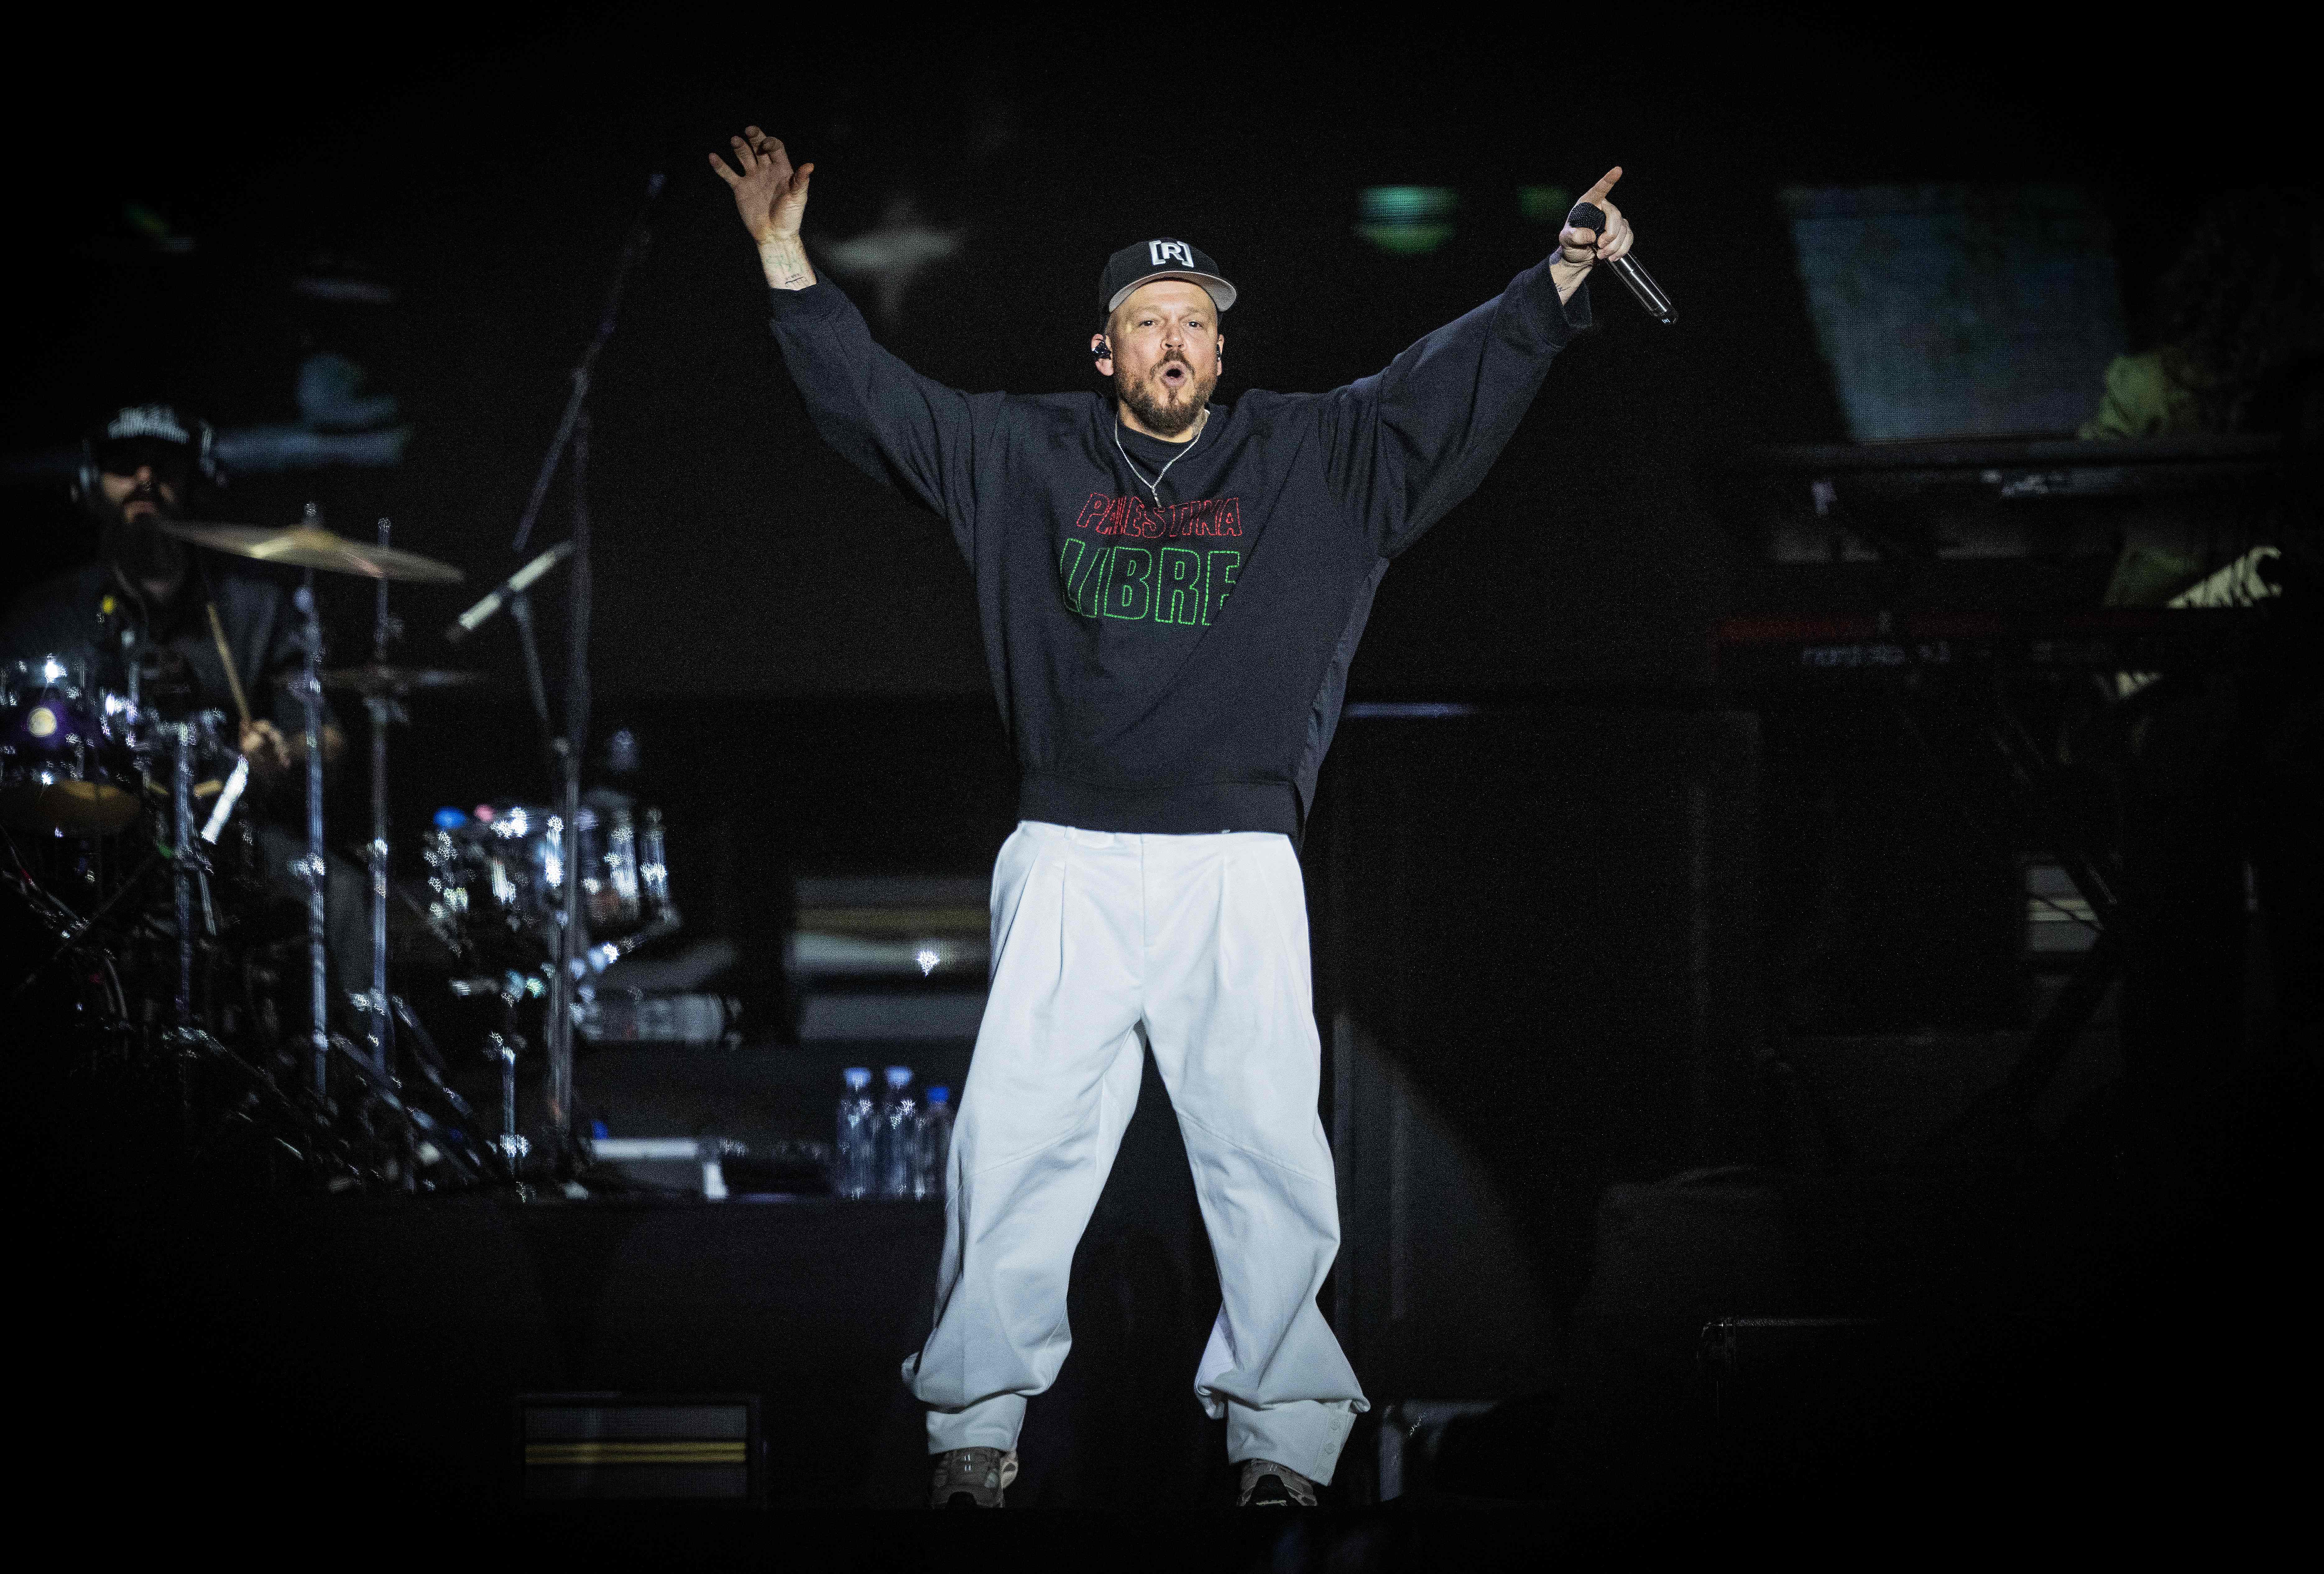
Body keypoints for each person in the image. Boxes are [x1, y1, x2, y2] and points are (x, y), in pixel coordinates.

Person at [712, 125, 1633, 1507]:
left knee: (1268, 1145)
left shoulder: (1312, 458)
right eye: (1148, 322)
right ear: (1106, 353)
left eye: (1196, 320)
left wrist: (1553, 281)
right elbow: (878, 404)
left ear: (1221, 345)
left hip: (1236, 856)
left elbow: (1444, 394)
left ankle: (1286, 1440)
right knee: (1014, 1145)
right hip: (1072, 853)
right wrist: (787, 259)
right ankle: (974, 1427)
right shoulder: (1020, 452)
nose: (1176, 341)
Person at [0, 404, 360, 1016]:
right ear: (91, 488)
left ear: (198, 483)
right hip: (87, 848)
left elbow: (327, 736)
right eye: (123, 466)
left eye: (163, 466)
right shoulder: (41, 618)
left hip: (229, 841)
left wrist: (282, 752)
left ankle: (341, 1093)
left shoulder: (258, 606)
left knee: (344, 894)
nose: (144, 478)